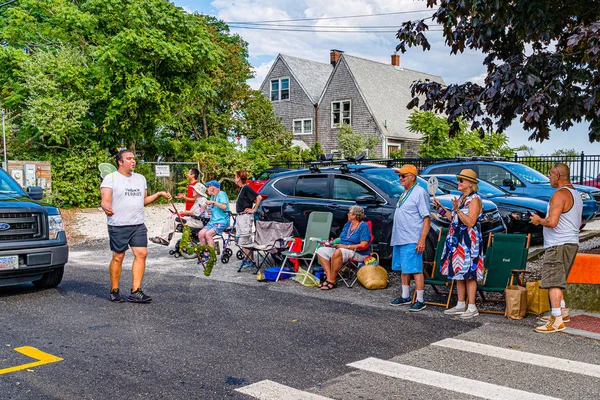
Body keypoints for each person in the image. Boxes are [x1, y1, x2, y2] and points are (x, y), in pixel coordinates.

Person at [100, 149, 172, 303]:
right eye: (129, 158)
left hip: (138, 224)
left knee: (142, 254)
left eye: (134, 158)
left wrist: (159, 194)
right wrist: (105, 207)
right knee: (118, 257)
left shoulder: (140, 179)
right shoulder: (110, 178)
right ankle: (114, 290)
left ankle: (136, 291)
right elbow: (105, 199)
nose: (133, 161)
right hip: (118, 224)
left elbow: (143, 201)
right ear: (120, 162)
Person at [530, 163, 582, 333]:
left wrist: (538, 221)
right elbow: (579, 222)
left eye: (551, 174)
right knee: (559, 280)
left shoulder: (559, 195)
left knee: (553, 282)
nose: (549, 177)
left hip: (558, 243)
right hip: (571, 241)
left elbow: (552, 222)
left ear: (558, 176)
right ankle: (563, 312)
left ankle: (556, 318)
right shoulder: (577, 194)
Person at [434, 169, 484, 319]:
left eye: (461, 180)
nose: (459, 183)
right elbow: (452, 217)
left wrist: (458, 210)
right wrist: (440, 208)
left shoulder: (474, 199)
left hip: (468, 239)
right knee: (459, 272)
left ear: (470, 184)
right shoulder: (462, 198)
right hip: (457, 239)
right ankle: (461, 304)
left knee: (470, 273)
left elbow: (470, 222)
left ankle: (472, 306)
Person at [389, 164, 431, 312]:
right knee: (404, 269)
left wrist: (422, 239)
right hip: (400, 237)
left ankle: (420, 299)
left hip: (412, 236)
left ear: (412, 177)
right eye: (399, 176)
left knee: (415, 269)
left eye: (403, 175)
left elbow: (426, 218)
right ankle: (405, 296)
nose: (400, 178)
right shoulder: (405, 192)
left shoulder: (420, 192)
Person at [315, 205, 371, 290]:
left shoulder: (363, 226)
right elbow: (342, 238)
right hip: (341, 248)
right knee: (321, 250)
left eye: (349, 213)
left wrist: (346, 246)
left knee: (339, 252)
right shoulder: (348, 224)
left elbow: (363, 245)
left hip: (358, 252)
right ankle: (329, 278)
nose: (347, 214)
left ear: (354, 215)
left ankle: (332, 281)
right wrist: (331, 243)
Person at [234, 170, 262, 269]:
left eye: (235, 176)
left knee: (246, 238)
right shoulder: (241, 189)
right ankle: (246, 259)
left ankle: (251, 260)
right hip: (240, 216)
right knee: (242, 238)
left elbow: (258, 197)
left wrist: (254, 209)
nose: (234, 178)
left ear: (239, 178)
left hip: (245, 217)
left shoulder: (246, 188)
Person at [197, 180, 230, 254]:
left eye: (209, 186)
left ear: (213, 187)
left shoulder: (221, 194)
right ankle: (205, 254)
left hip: (222, 221)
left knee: (208, 234)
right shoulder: (212, 196)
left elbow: (224, 206)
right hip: (213, 221)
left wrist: (213, 202)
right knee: (201, 234)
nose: (208, 188)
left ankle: (212, 256)